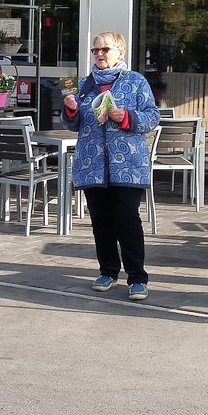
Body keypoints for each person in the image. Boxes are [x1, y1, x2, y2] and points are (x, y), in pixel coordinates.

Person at [61, 31, 161, 302]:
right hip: (92, 163)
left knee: (127, 220)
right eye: (96, 50)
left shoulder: (136, 81)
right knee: (101, 222)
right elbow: (73, 125)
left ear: (120, 52)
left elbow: (153, 117)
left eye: (105, 49)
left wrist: (127, 117)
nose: (100, 54)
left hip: (127, 164)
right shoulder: (84, 85)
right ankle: (107, 271)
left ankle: (137, 277)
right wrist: (70, 109)